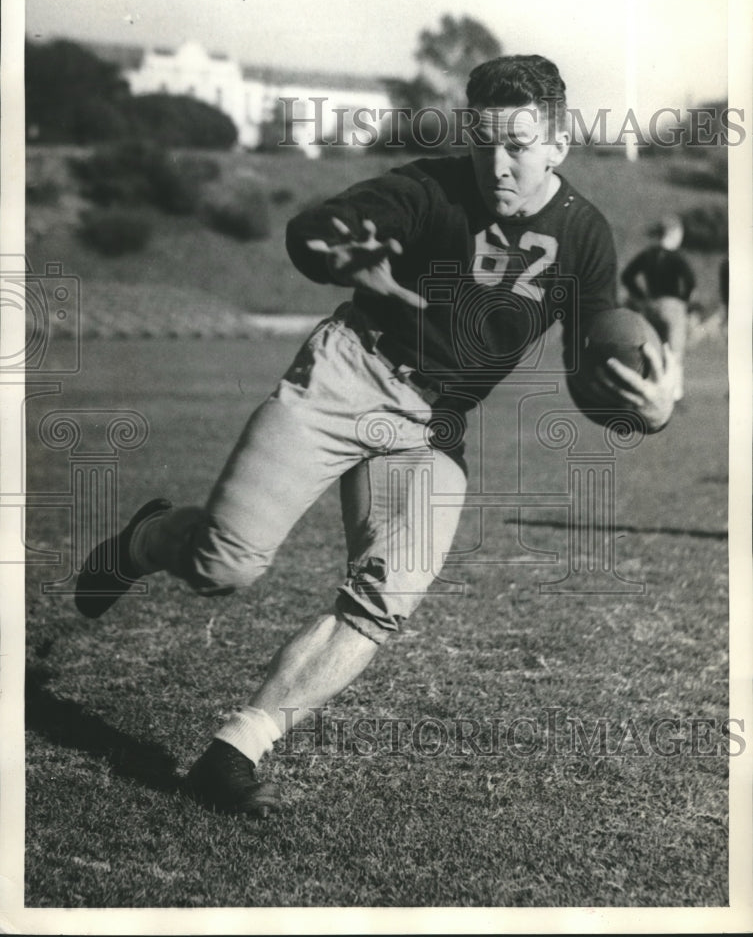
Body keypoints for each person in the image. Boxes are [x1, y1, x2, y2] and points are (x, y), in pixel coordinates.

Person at [75, 55, 676, 816]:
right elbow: (316, 231)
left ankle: (237, 749)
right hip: (346, 377)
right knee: (222, 568)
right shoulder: (429, 187)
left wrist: (642, 412)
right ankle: (142, 542)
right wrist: (339, 248)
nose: (496, 162)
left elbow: (591, 374)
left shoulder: (585, 236)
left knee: (384, 596)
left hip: (429, 427)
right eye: (482, 139)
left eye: (518, 144)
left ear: (557, 142)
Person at [620, 214, 696, 400]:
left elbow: (627, 276)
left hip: (650, 305)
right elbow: (690, 282)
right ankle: (675, 394)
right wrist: (683, 300)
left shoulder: (648, 255)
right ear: (674, 234)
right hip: (673, 307)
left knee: (653, 348)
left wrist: (641, 296)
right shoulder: (677, 257)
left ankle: (651, 388)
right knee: (674, 351)